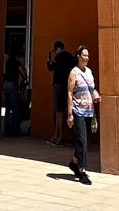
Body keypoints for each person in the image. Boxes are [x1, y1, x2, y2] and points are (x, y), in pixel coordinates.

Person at [65, 44, 98, 185]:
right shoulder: (74, 72)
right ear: (78, 56)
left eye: (88, 55)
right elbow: (70, 93)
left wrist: (96, 95)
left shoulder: (89, 72)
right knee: (82, 141)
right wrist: (70, 114)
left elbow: (92, 89)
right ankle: (82, 171)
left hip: (89, 111)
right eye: (84, 55)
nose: (86, 58)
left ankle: (73, 163)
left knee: (83, 143)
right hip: (78, 111)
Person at [45, 40, 70, 146]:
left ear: (56, 49)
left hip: (58, 86)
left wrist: (49, 59)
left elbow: (50, 68)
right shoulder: (68, 56)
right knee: (64, 110)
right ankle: (61, 136)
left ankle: (58, 136)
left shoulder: (58, 57)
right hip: (67, 86)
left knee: (58, 112)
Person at [1, 46, 27, 137]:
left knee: (8, 108)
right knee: (15, 108)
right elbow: (22, 72)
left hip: (6, 83)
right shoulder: (16, 62)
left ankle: (6, 130)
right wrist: (25, 78)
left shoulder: (8, 62)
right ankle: (14, 130)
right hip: (12, 84)